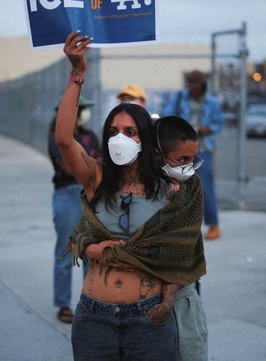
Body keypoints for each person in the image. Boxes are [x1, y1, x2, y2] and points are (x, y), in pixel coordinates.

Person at [56, 31, 206, 360]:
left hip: (149, 319)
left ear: (145, 140)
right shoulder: (97, 177)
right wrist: (77, 74)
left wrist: (166, 302)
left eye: (129, 132)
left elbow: (180, 254)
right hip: (94, 318)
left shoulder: (169, 188)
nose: (118, 139)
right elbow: (65, 139)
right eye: (112, 132)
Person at [154, 115, 208, 361]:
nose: (188, 166)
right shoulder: (140, 187)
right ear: (158, 156)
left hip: (182, 294)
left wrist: (169, 299)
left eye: (192, 159)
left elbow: (183, 242)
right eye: (182, 159)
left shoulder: (192, 184)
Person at [48, 98, 100, 323]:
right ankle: (63, 304)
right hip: (68, 195)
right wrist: (89, 164)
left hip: (90, 194)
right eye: (82, 109)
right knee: (66, 251)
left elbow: (101, 162)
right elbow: (68, 167)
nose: (85, 113)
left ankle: (91, 301)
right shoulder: (57, 138)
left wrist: (86, 165)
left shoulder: (90, 136)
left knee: (91, 252)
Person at [162, 70, 224, 240]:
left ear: (203, 85)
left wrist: (208, 129)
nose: (194, 89)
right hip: (181, 150)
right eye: (191, 85)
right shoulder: (179, 98)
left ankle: (213, 225)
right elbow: (167, 115)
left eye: (197, 85)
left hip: (203, 148)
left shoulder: (212, 102)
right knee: (177, 188)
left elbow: (218, 122)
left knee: (205, 188)